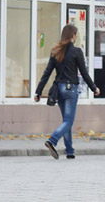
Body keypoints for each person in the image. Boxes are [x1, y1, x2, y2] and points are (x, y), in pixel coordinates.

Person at [34, 24, 100, 159]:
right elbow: (84, 73)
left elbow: (47, 73)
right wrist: (94, 88)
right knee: (69, 121)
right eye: (76, 34)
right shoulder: (76, 52)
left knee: (66, 120)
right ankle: (52, 141)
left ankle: (70, 151)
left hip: (59, 89)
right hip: (70, 90)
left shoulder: (56, 51)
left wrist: (38, 92)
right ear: (72, 36)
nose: (76, 37)